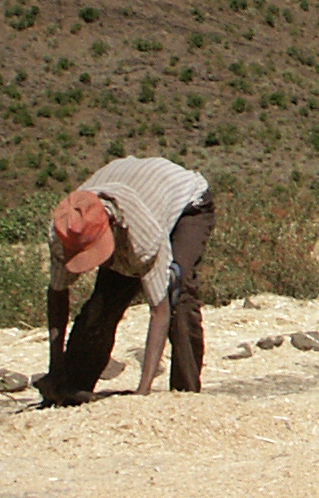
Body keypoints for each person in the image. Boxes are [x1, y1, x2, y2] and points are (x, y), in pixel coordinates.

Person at [41, 155, 216, 405]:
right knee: (102, 305)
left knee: (176, 289)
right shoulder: (67, 229)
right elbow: (57, 295)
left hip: (186, 203)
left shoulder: (142, 235)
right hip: (133, 197)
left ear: (110, 229)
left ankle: (185, 398)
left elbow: (160, 311)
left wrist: (141, 394)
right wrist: (55, 369)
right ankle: (70, 391)